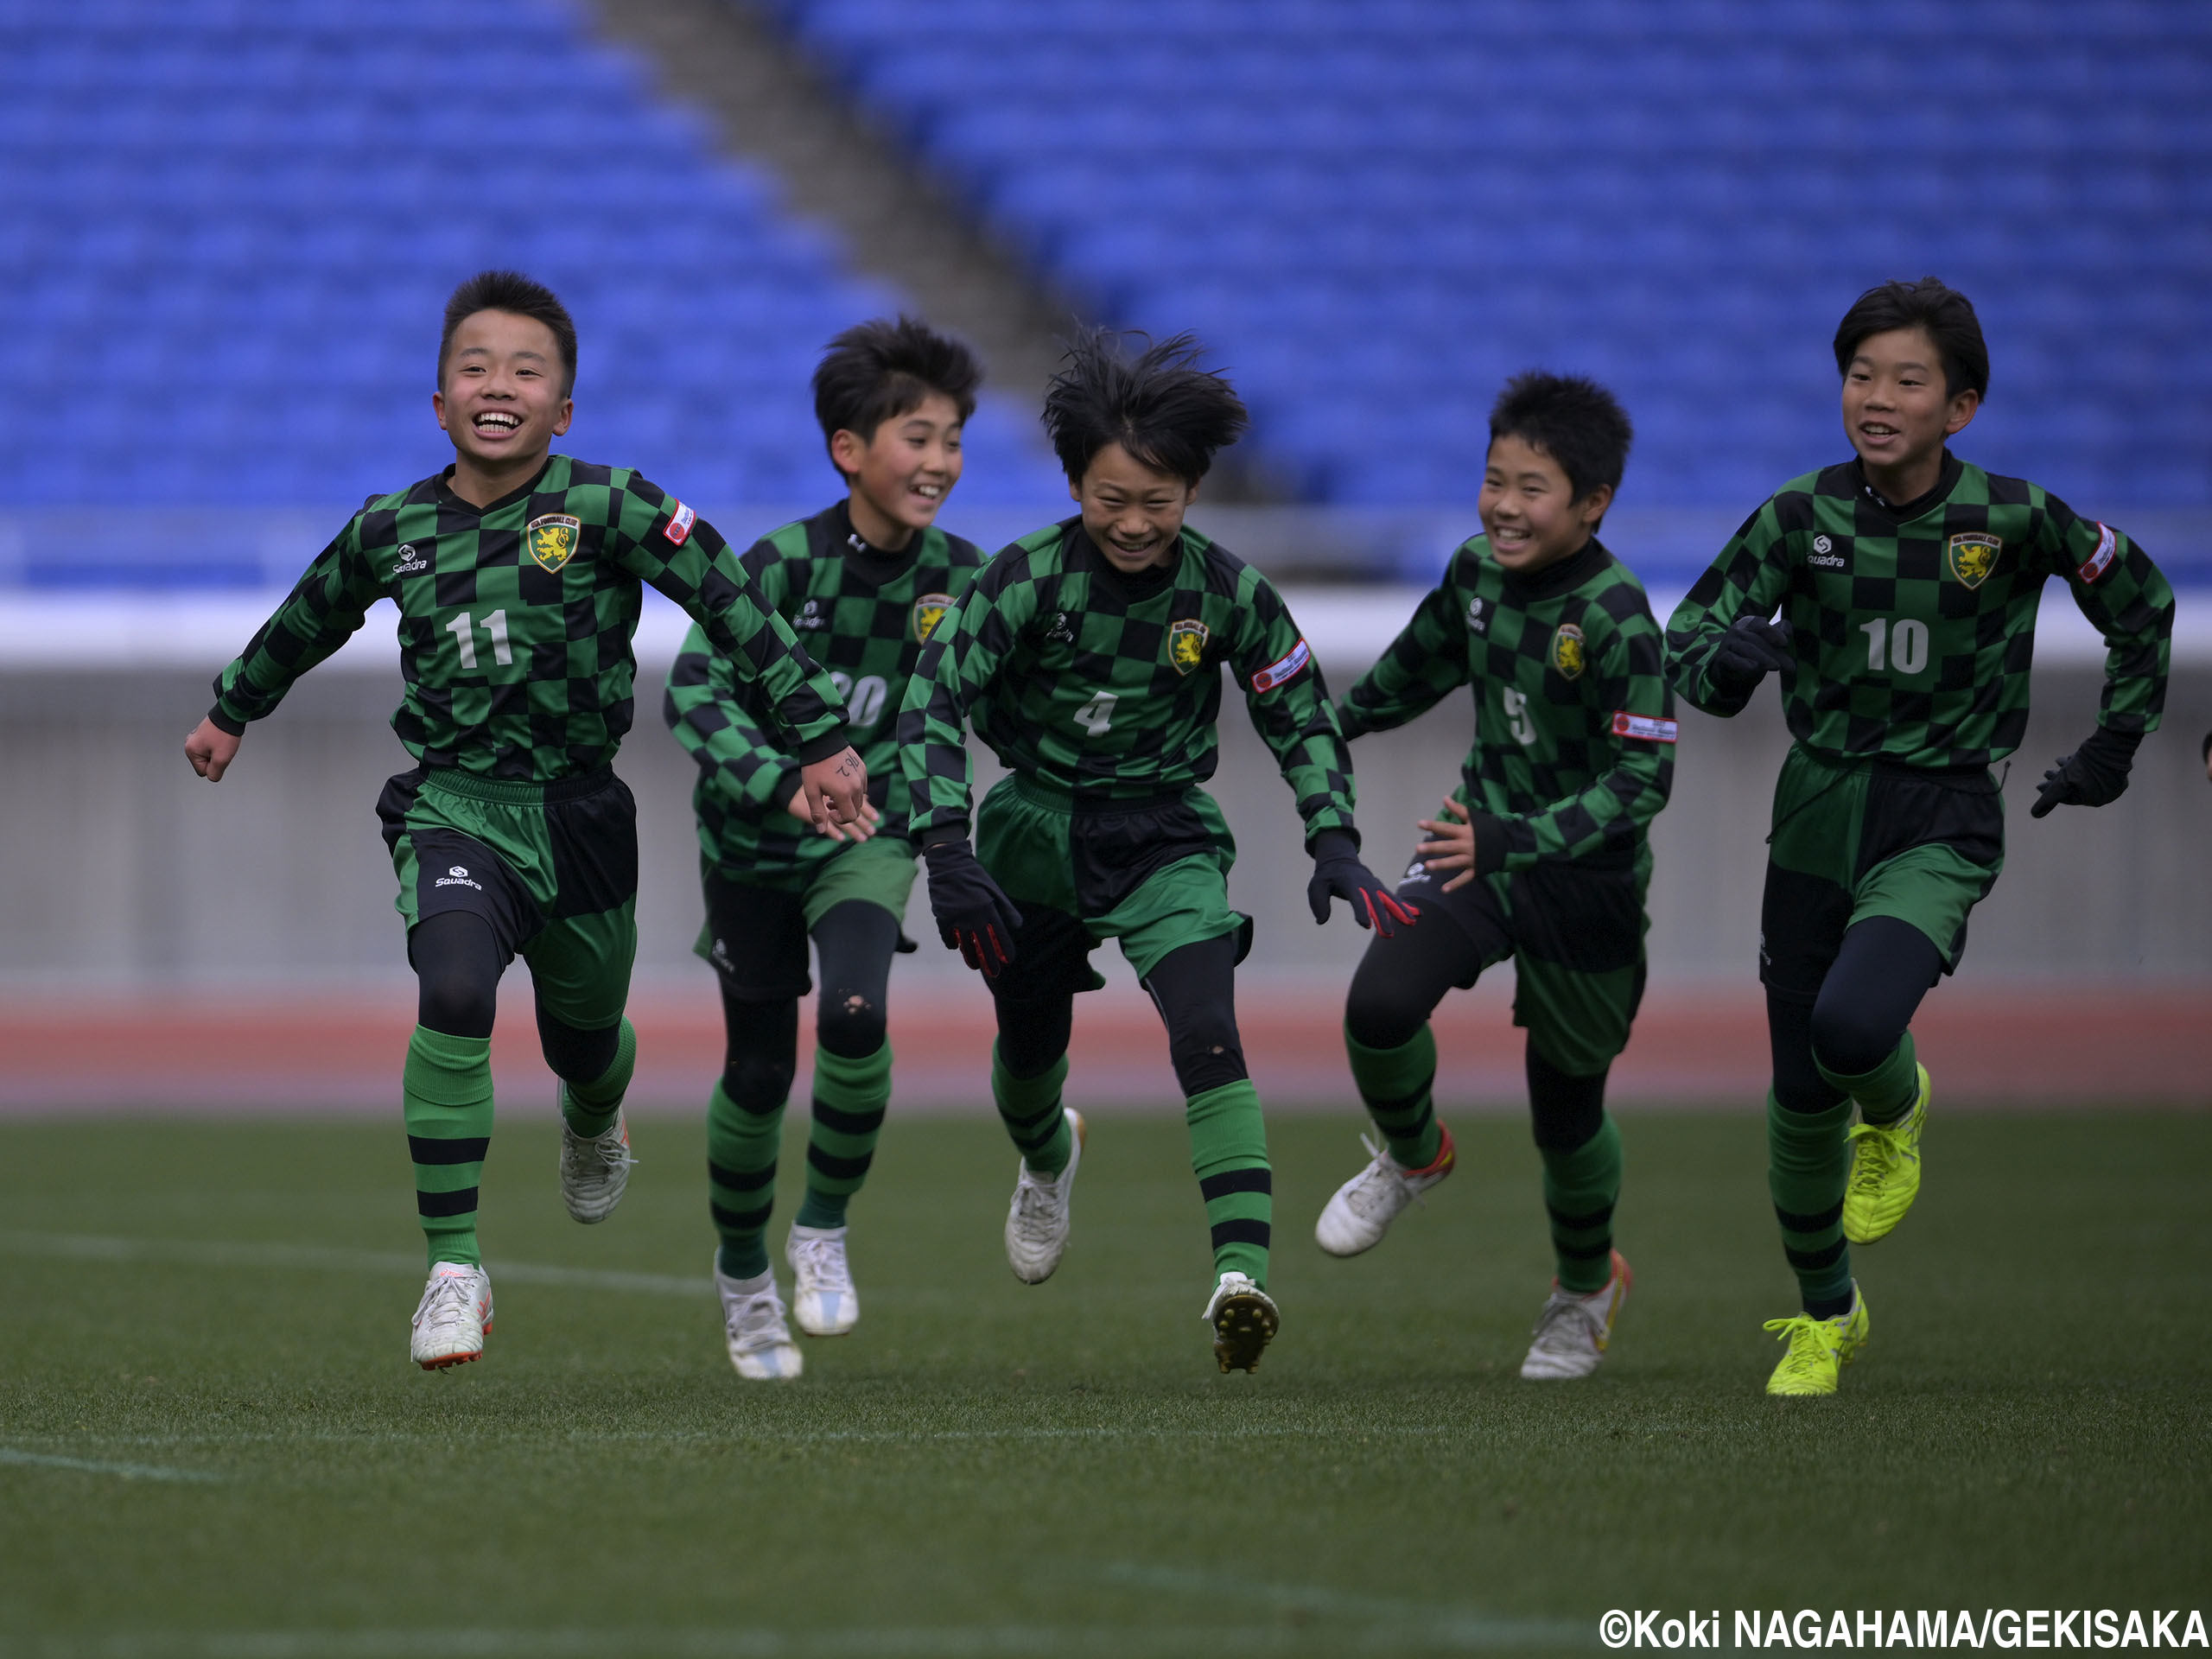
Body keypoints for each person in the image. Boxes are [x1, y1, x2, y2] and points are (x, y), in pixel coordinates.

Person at [184, 270, 865, 1371]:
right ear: (439, 401)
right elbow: (307, 615)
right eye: (474, 368)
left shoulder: (613, 505)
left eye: (525, 371)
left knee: (583, 1041)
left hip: (584, 816)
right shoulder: (393, 526)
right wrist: (232, 709)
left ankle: (595, 1114)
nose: (497, 385)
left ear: (564, 408)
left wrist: (818, 735)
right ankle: (454, 1268)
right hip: (455, 803)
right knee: (453, 992)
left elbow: (733, 605)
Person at [1662, 276, 2174, 1395]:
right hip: (1815, 808)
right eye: (1860, 375)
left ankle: (1897, 1105)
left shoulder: (2016, 519)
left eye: (1908, 379)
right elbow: (1694, 636)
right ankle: (1824, 1315)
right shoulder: (1799, 515)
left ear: (1964, 407)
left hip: (1940, 813)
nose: (1878, 398)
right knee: (1798, 1092)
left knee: (1851, 1030)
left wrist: (2118, 741)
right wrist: (1723, 665)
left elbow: (2141, 601)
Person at [896, 329, 1411, 1373]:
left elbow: (1299, 714)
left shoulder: (1228, 594)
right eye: (1110, 499)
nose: (1133, 524)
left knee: (1207, 1035)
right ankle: (1048, 1162)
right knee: (1029, 1053)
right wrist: (947, 848)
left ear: (1193, 490)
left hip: (1166, 835)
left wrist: (1336, 838)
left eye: (1158, 502)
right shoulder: (1022, 580)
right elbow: (931, 702)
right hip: (1033, 832)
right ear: (1075, 484)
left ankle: (1240, 1277)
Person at [1319, 372, 1670, 1380]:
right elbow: (1410, 669)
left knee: (1564, 1116)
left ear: (1592, 503)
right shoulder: (1474, 573)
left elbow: (1645, 779)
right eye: (1493, 480)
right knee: (1379, 1003)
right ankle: (1414, 1153)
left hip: (1582, 885)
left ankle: (1582, 1287)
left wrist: (1516, 839)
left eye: (1532, 488)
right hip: (1477, 846)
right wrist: (1315, 726)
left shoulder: (1615, 617)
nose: (1504, 507)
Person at [664, 316, 987, 1381]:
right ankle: (745, 1283)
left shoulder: (968, 582)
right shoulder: (778, 566)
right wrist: (781, 783)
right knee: (758, 1072)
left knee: (852, 1015)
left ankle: (824, 1229)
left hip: (869, 838)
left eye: (951, 439)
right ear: (849, 448)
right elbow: (693, 693)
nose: (937, 461)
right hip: (755, 846)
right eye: (916, 437)